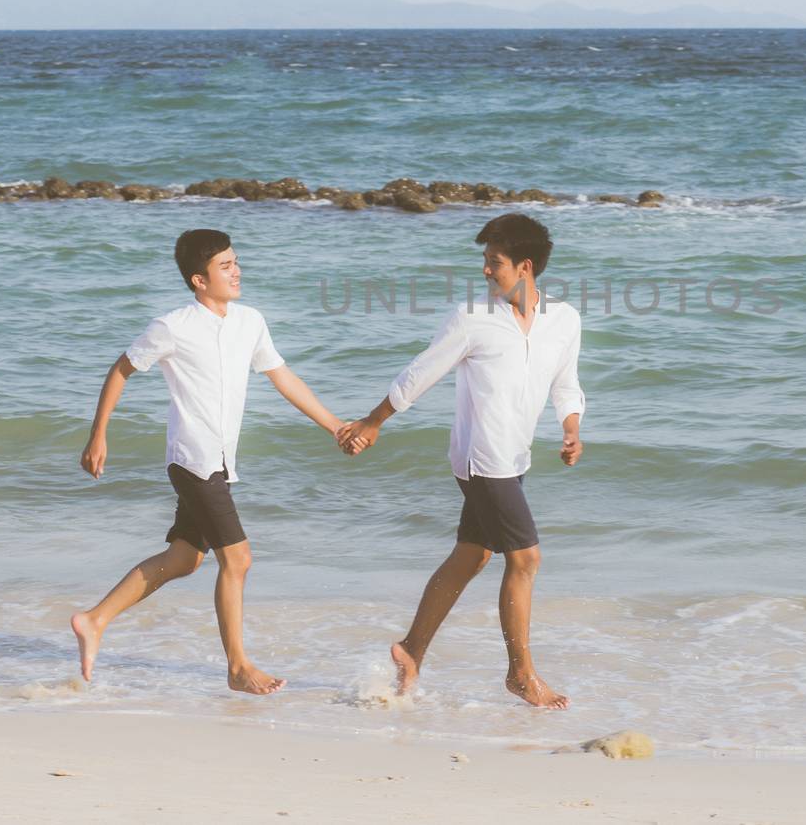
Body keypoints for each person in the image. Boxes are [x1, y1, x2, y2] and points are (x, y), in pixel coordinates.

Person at [69, 228, 350, 695]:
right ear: (200, 280)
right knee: (238, 559)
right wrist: (98, 435)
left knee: (184, 558)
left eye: (236, 261)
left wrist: (337, 426)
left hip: (220, 461)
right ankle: (238, 666)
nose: (236, 271)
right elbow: (121, 369)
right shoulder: (173, 325)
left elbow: (283, 378)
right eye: (225, 266)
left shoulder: (250, 321)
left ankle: (94, 619)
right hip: (192, 458)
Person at [338, 213, 585, 709]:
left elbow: (566, 382)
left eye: (494, 263)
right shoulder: (473, 317)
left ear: (526, 266)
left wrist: (571, 426)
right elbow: (420, 373)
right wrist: (374, 420)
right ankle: (521, 673)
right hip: (481, 456)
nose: (486, 272)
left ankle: (411, 650)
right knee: (526, 558)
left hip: (515, 455)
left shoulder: (565, 319)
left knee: (474, 554)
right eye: (486, 262)